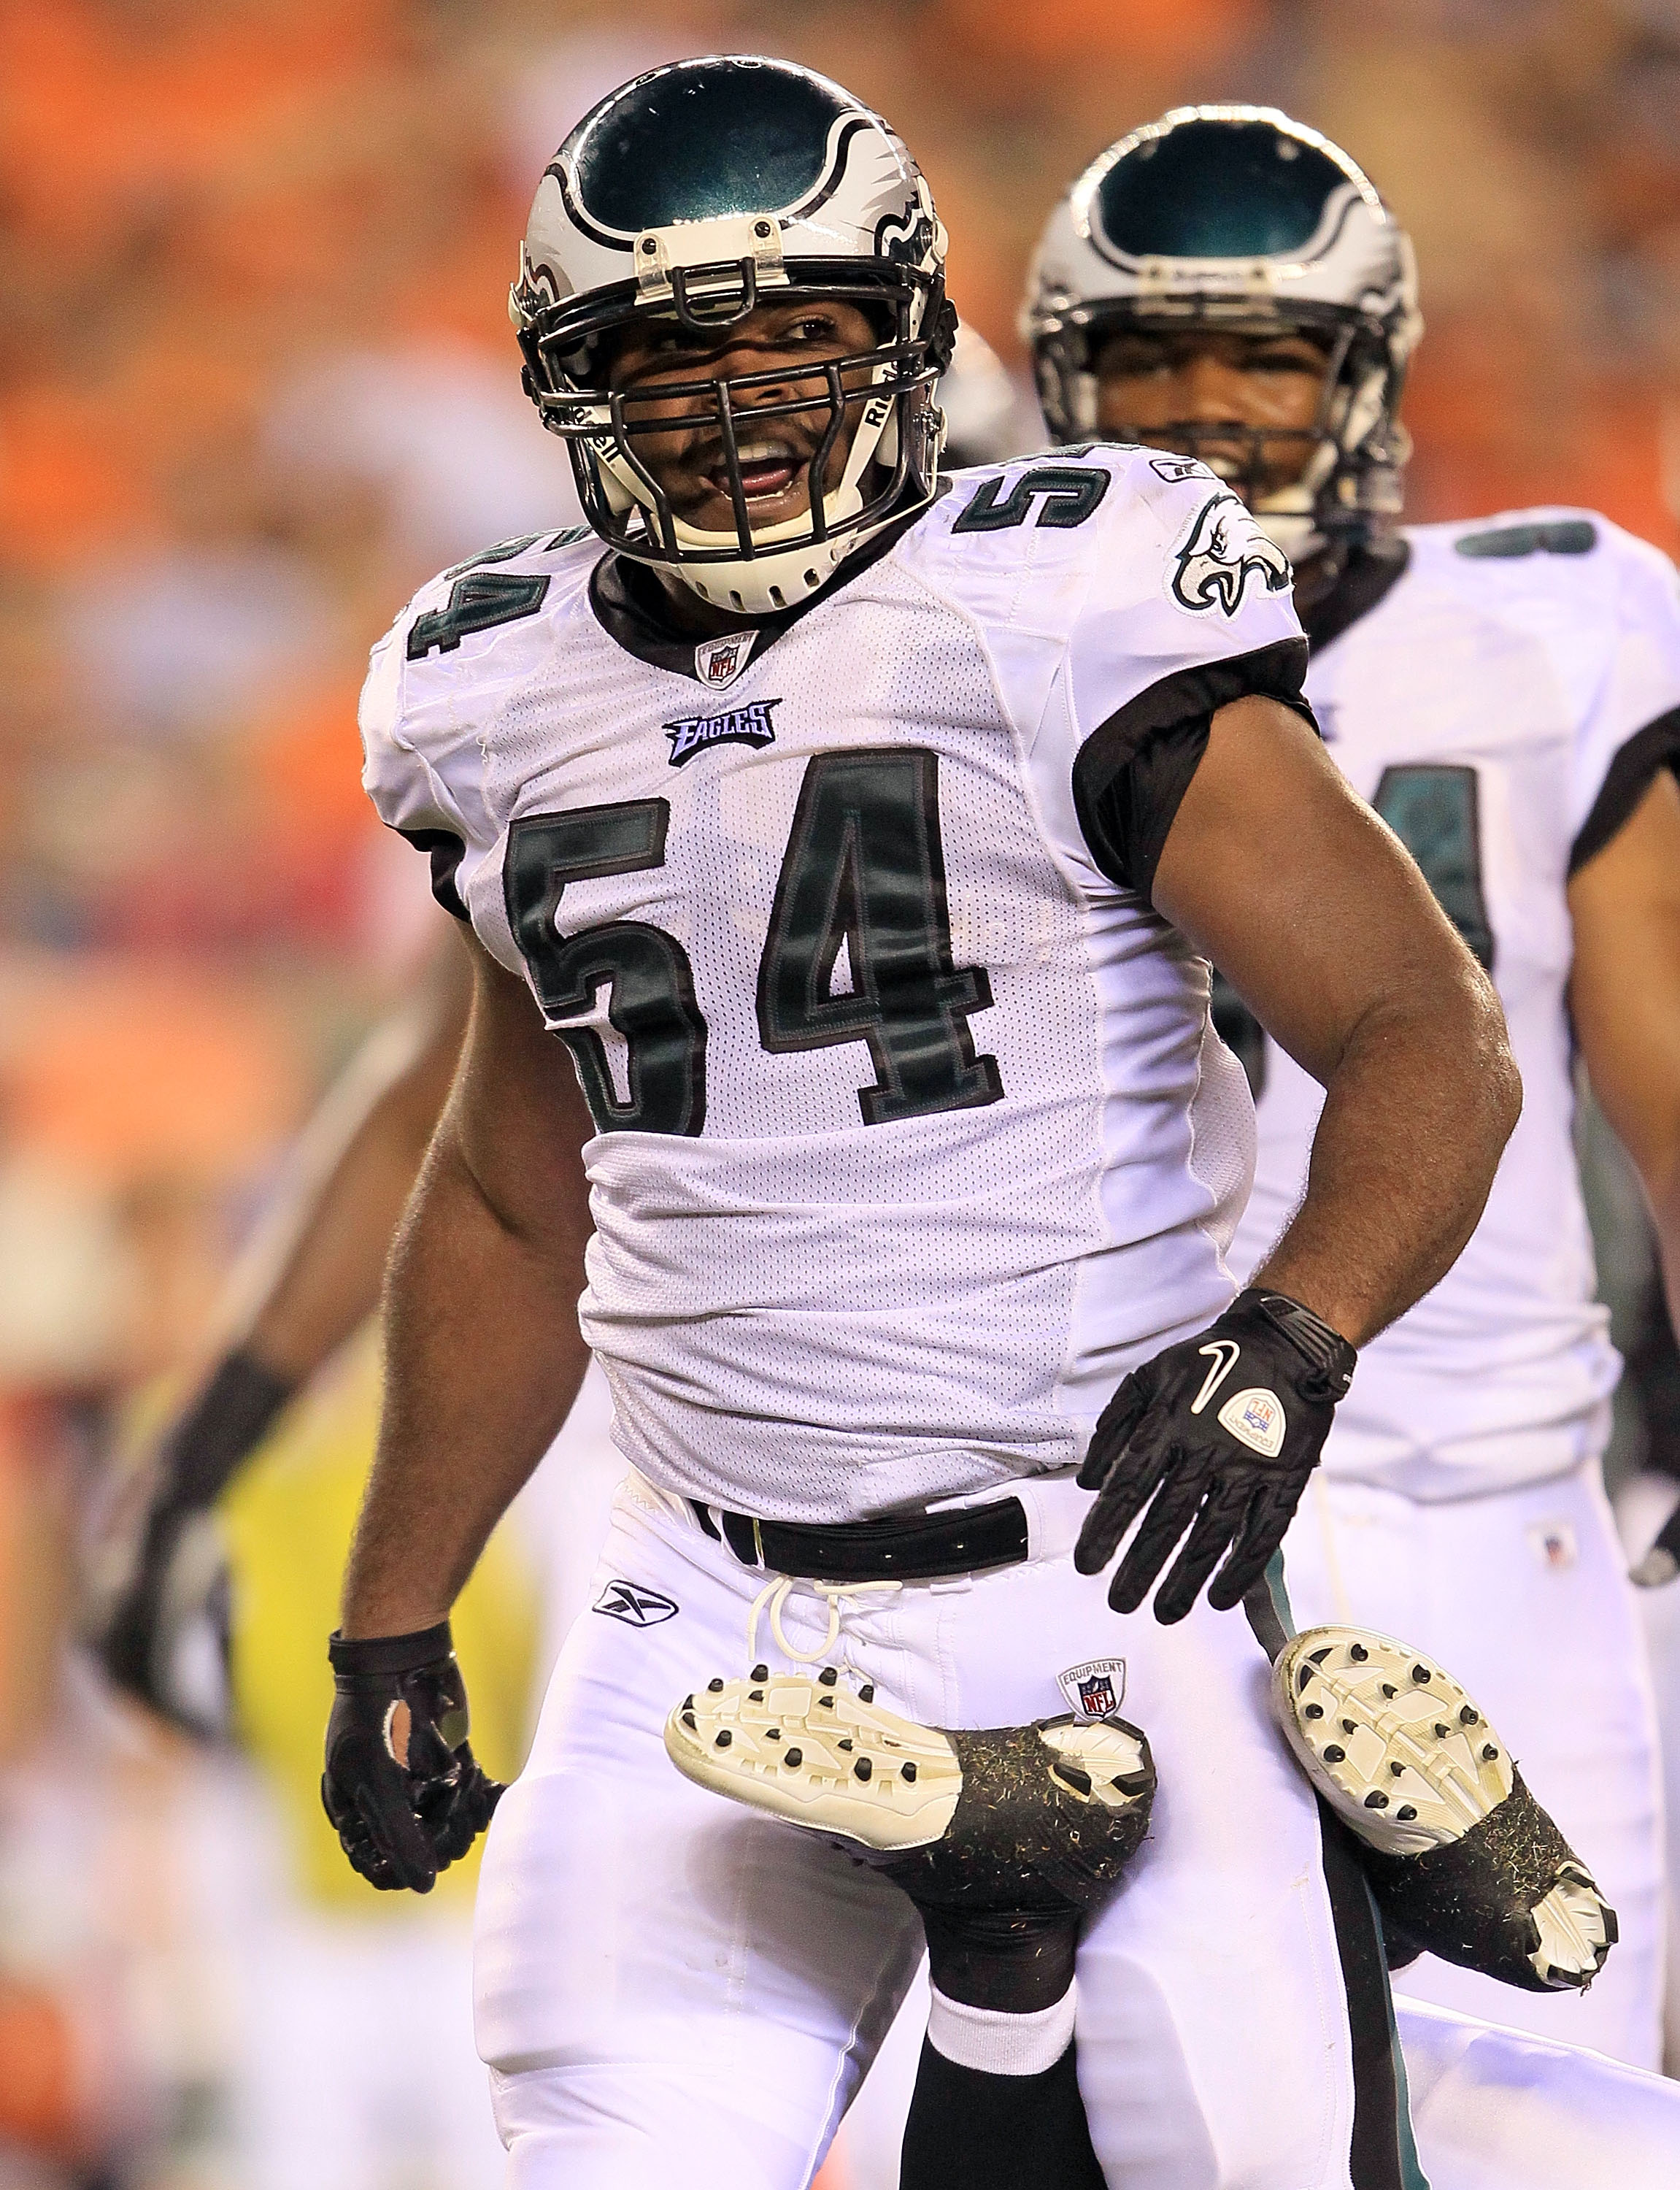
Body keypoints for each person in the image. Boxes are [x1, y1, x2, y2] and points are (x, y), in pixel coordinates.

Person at [323, 55, 1521, 2190]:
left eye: (801, 335)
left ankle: (1022, 1943)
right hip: (698, 1625)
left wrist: (1291, 1341)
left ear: (902, 335)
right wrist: (392, 1612)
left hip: (1108, 1579)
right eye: (669, 357)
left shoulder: (1069, 590)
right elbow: (519, 1195)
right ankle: (1001, 1952)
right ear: (567, 388)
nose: (746, 401)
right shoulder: (485, 685)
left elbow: (1422, 1024)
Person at [1023, 102, 1680, 2067]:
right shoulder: (978, 643)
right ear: (1070, 378)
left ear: (1367, 375)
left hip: (1490, 1491)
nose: (1207, 405)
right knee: (1187, 2121)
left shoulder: (1555, 619)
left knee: (1553, 2099)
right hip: (1130, 1513)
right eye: (1149, 356)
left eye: (1269, 354)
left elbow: (1667, 1063)